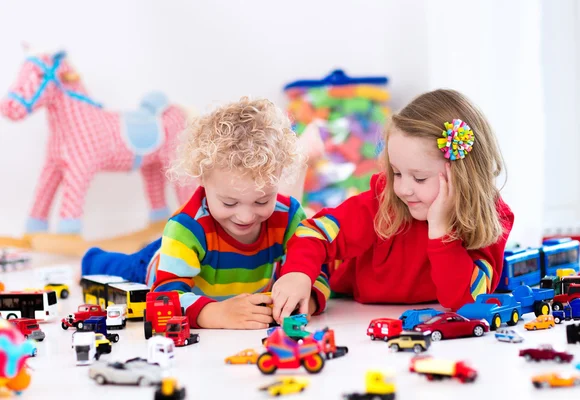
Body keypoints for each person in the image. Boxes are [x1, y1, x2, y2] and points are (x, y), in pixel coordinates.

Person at [81, 97, 329, 329]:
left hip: (203, 262)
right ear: (202, 179)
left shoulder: (289, 216)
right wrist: (218, 314)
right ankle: (91, 258)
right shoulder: (186, 227)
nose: (246, 217)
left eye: (262, 200)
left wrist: (307, 301)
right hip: (156, 265)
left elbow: (318, 270)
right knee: (117, 268)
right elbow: (166, 296)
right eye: (230, 203)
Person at [271, 89, 514, 323]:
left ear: (463, 176)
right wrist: (297, 274)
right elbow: (313, 231)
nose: (404, 189)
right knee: (282, 215)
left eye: (419, 178)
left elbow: (467, 301)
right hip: (336, 272)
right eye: (397, 173)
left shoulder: (493, 218)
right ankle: (303, 155)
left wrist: (442, 231)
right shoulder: (384, 201)